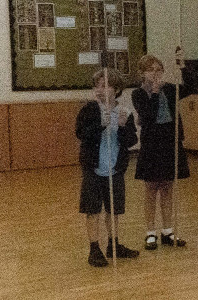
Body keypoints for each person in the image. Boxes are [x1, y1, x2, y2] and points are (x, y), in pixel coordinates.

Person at [76, 68, 141, 267]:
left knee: (114, 210)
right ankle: (94, 248)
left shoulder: (124, 113)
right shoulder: (89, 110)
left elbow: (132, 140)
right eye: (97, 85)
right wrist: (101, 125)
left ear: (116, 89)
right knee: (93, 210)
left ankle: (114, 245)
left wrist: (121, 126)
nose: (100, 89)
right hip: (94, 168)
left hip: (115, 168)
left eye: (105, 85)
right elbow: (81, 134)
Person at [131, 51, 191, 250]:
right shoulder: (139, 94)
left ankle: (167, 230)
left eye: (159, 69)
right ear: (142, 73)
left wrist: (183, 66)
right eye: (150, 70)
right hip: (152, 143)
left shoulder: (171, 90)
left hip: (169, 141)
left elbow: (189, 88)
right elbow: (148, 115)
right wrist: (155, 92)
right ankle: (150, 232)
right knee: (151, 189)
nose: (155, 73)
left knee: (167, 187)